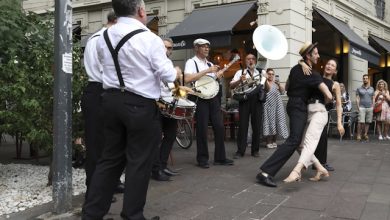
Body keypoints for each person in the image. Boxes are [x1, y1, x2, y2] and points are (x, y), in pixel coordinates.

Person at [82, 0, 182, 219]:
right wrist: (175, 70)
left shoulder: (102, 37)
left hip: (109, 101)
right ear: (140, 11)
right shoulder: (150, 38)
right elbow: (168, 76)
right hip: (140, 105)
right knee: (139, 162)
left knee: (109, 160)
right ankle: (132, 215)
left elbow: (103, 65)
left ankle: (91, 214)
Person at [255, 42, 332, 187]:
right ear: (308, 56)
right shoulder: (312, 74)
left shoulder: (295, 69)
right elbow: (328, 94)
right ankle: (265, 173)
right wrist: (326, 103)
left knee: (297, 141)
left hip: (291, 105)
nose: (318, 56)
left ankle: (320, 168)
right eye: (315, 53)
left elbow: (288, 87)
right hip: (300, 107)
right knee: (294, 140)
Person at [80, 11, 124, 196]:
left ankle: (110, 183)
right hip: (100, 90)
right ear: (115, 22)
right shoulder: (102, 39)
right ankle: (94, 189)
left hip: (100, 90)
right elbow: (106, 70)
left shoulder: (98, 38)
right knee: (97, 144)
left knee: (110, 143)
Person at [283, 59, 345, 182]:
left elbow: (338, 104)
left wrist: (339, 123)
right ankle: (320, 168)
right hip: (306, 110)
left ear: (335, 70)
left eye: (332, 65)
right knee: (299, 145)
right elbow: (301, 61)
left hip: (320, 111)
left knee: (309, 141)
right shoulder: (314, 76)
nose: (329, 65)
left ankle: (297, 171)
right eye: (328, 63)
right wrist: (301, 63)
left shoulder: (335, 84)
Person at [184, 38, 234, 168]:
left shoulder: (209, 64)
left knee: (219, 126)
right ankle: (202, 159)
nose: (207, 48)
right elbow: (187, 78)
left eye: (208, 46)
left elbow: (210, 81)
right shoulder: (191, 62)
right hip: (200, 98)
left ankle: (220, 157)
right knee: (201, 128)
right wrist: (208, 71)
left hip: (213, 97)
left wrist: (218, 75)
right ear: (196, 48)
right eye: (203, 46)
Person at [151, 38, 180, 181]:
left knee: (170, 135)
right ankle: (155, 170)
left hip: (169, 104)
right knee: (156, 138)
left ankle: (162, 165)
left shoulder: (169, 63)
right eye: (165, 47)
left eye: (170, 48)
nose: (167, 50)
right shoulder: (156, 61)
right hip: (156, 103)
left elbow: (173, 87)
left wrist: (181, 91)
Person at [230, 53, 264, 158]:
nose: (251, 61)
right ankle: (240, 151)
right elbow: (231, 85)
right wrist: (240, 80)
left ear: (255, 60)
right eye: (248, 59)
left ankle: (255, 150)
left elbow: (265, 88)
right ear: (245, 61)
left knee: (257, 126)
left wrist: (266, 78)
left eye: (253, 59)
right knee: (243, 126)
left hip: (257, 100)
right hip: (244, 99)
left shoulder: (260, 72)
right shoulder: (240, 72)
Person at [262, 68, 289, 149]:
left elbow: (283, 92)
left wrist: (279, 84)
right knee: (269, 122)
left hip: (277, 105)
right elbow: (267, 89)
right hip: (268, 106)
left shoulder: (276, 83)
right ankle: (268, 141)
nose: (271, 75)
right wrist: (265, 78)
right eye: (269, 74)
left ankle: (274, 141)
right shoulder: (264, 82)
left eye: (272, 74)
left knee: (277, 122)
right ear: (267, 74)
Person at [356, 74, 375, 141]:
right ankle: (358, 135)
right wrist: (358, 106)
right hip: (362, 107)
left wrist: (373, 106)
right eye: (364, 78)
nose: (365, 79)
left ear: (368, 79)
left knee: (368, 122)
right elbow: (357, 98)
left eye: (366, 78)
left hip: (370, 107)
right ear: (363, 79)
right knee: (360, 122)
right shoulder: (359, 88)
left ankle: (365, 134)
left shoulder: (372, 88)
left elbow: (373, 98)